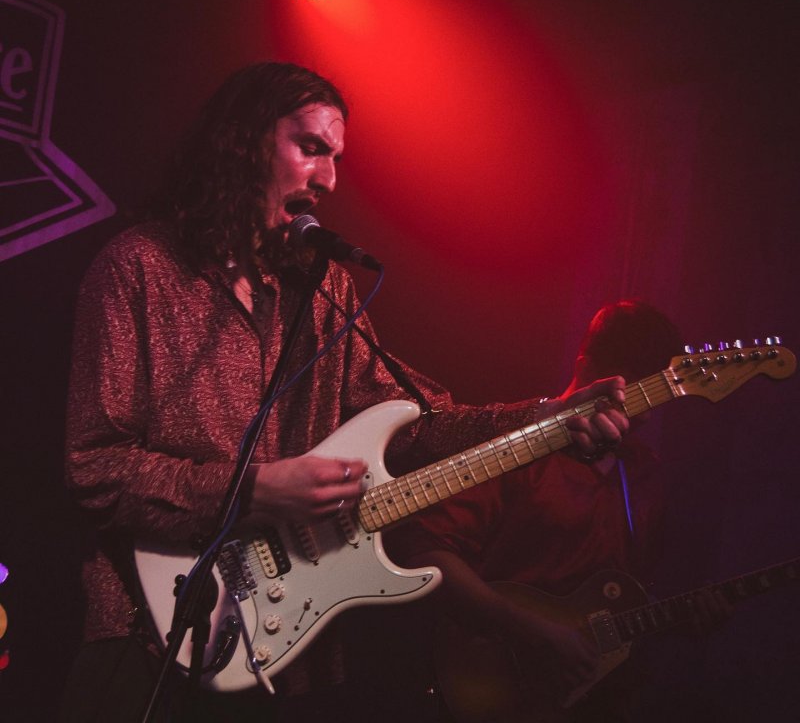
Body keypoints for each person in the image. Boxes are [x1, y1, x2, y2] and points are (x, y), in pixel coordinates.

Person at [59, 62, 629, 723]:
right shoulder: (138, 268)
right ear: (241, 142)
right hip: (147, 633)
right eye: (311, 148)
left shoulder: (324, 288)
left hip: (283, 652)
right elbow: (93, 467)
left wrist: (543, 419)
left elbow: (415, 419)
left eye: (336, 158)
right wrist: (251, 490)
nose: (329, 178)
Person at [387, 299, 731, 723]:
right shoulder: (512, 449)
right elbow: (422, 552)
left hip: (596, 701)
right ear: (585, 366)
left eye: (653, 391)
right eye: (633, 388)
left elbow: (622, 595)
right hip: (493, 685)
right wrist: (532, 632)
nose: (642, 407)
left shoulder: (642, 471)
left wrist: (680, 617)